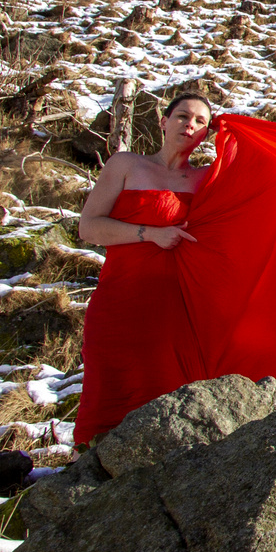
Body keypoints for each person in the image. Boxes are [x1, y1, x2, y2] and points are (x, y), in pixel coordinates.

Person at [74, 92, 215, 443]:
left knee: (165, 400)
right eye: (183, 116)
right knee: (106, 392)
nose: (190, 125)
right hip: (120, 301)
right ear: (163, 121)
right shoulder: (126, 165)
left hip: (177, 310)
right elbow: (89, 227)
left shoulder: (208, 180)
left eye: (201, 122)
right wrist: (150, 234)